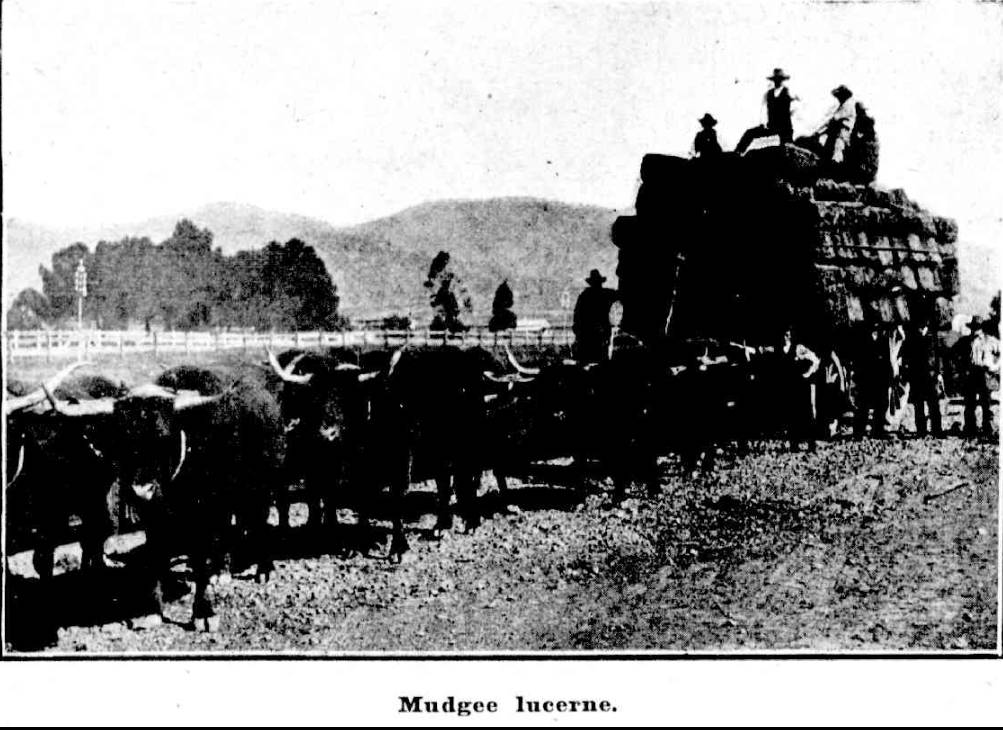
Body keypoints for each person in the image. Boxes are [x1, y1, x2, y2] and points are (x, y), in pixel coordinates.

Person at [759, 327, 820, 451]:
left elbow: (815, 360)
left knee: (805, 414)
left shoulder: (799, 348)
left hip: (800, 386)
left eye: (789, 335)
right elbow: (765, 350)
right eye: (785, 334)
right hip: (788, 387)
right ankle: (794, 443)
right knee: (791, 415)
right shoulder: (779, 349)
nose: (786, 337)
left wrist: (808, 373)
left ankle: (811, 443)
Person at [735, 68, 799, 154]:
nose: (777, 81)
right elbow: (763, 109)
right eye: (776, 79)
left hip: (785, 127)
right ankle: (738, 152)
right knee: (750, 133)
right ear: (773, 80)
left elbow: (799, 103)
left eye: (779, 79)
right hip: (772, 125)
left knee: (787, 150)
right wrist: (763, 122)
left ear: (782, 80)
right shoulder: (768, 94)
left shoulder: (788, 92)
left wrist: (791, 113)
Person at [902, 319, 943, 436]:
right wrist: (907, 373)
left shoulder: (933, 338)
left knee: (933, 403)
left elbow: (938, 357)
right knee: (918, 404)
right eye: (919, 327)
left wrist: (939, 373)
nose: (921, 329)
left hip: (931, 375)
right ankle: (921, 430)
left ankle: (937, 429)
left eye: (923, 326)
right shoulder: (911, 339)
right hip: (917, 375)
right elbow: (906, 357)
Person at [854, 324, 894, 438]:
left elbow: (887, 359)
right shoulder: (863, 339)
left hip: (880, 376)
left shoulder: (883, 339)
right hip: (866, 377)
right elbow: (858, 359)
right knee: (863, 404)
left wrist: (889, 375)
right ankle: (858, 432)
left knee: (881, 404)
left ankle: (878, 430)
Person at [964, 316, 1000, 436]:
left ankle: (988, 428)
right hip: (971, 374)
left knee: (986, 403)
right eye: (973, 327)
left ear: (981, 328)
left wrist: (995, 366)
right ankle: (970, 428)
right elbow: (954, 355)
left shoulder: (990, 340)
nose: (975, 330)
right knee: (970, 403)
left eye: (978, 327)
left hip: (984, 374)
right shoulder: (965, 341)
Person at [572, 269, 618, 363]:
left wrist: (577, 330)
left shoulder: (584, 295)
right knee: (601, 357)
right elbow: (620, 295)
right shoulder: (607, 294)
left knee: (586, 358)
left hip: (586, 332)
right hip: (601, 331)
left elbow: (577, 315)